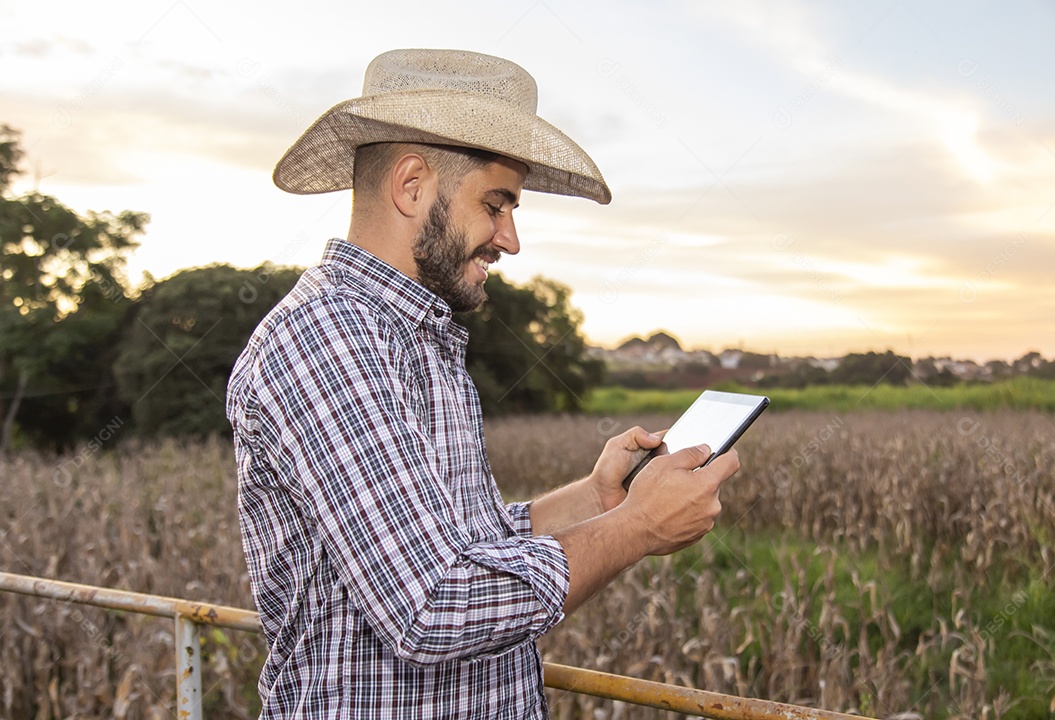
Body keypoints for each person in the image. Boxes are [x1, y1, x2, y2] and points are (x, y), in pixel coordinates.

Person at [226, 48, 740, 719]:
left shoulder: (417, 338)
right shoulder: (327, 338)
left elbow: (461, 543)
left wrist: (597, 498)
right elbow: (432, 605)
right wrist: (637, 527)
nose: (511, 238)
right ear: (411, 186)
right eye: (496, 204)